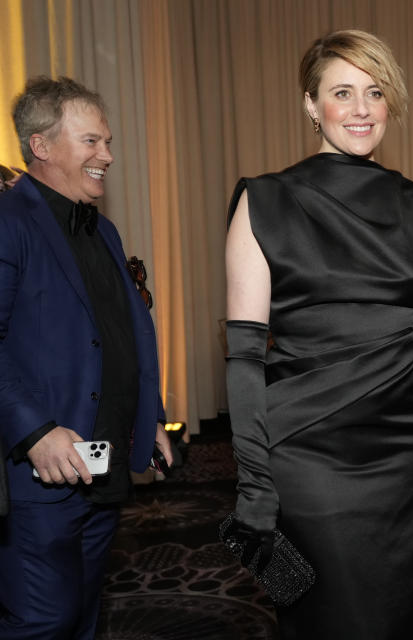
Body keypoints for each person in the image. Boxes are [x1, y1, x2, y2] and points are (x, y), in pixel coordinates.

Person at [224, 30, 413, 639]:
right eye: (342, 92)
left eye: (375, 93)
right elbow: (245, 357)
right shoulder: (264, 200)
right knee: (326, 617)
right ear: (310, 104)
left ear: (391, 104)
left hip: (406, 458)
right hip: (307, 454)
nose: (360, 110)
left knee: (399, 615)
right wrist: (254, 484)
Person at [0, 76, 171, 639]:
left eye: (108, 142)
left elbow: (120, 334)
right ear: (41, 147)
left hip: (101, 465)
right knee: (43, 621)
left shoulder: (104, 231)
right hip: (40, 472)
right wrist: (35, 433)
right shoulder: (7, 221)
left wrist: (151, 415)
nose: (109, 156)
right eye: (92, 142)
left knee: (85, 613)